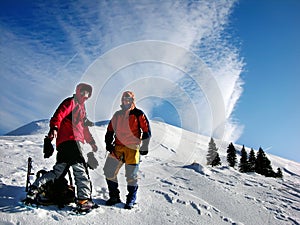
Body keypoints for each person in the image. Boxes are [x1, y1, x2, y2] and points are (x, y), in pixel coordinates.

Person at [26, 83, 98, 211]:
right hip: (73, 142)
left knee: (57, 172)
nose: (85, 95)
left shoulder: (81, 109)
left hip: (64, 145)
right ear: (78, 91)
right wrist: (54, 128)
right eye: (83, 92)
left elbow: (84, 128)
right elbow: (59, 114)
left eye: (87, 93)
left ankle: (35, 188)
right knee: (81, 171)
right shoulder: (72, 102)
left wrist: (91, 142)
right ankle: (84, 201)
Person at [103, 91, 151, 209]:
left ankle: (131, 198)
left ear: (132, 100)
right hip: (118, 147)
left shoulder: (138, 114)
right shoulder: (117, 115)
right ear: (122, 100)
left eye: (129, 99)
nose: (126, 101)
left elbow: (146, 130)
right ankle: (114, 196)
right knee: (109, 171)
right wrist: (109, 143)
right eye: (124, 99)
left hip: (133, 148)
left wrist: (144, 146)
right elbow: (110, 130)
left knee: (131, 175)